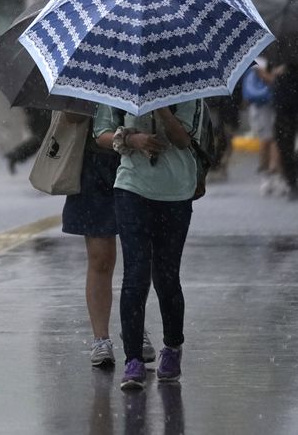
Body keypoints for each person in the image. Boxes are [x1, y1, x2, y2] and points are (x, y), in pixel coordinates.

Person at [94, 100, 201, 389]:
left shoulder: (189, 89)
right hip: (132, 188)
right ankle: (133, 360)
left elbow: (182, 139)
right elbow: (101, 132)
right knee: (135, 275)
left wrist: (163, 109)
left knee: (166, 276)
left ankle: (173, 347)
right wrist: (131, 138)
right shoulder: (123, 82)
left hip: (176, 191)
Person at [61, 110, 156, 368]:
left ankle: (134, 327)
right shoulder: (86, 69)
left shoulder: (141, 69)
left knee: (138, 256)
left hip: (139, 164)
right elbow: (71, 117)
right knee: (101, 258)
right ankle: (100, 338)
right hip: (94, 166)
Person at [243, 58, 283, 196]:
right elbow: (266, 79)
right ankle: (267, 175)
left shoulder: (278, 54)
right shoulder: (259, 60)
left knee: (275, 140)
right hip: (262, 107)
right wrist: (277, 75)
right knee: (267, 140)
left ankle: (275, 173)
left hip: (277, 104)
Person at [270, 60, 298, 201]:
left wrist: (292, 66)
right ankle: (292, 183)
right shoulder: (274, 43)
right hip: (284, 99)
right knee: (285, 145)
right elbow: (268, 69)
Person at [5, 107, 52, 174]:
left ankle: (16, 155)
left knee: (40, 142)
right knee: (41, 142)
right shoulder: (43, 103)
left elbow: (27, 109)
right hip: (41, 120)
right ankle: (16, 155)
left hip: (39, 120)